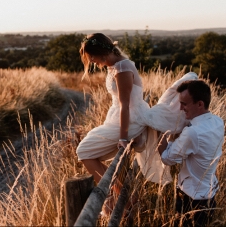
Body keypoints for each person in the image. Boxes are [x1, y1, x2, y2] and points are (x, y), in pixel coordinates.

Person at [76, 33, 198, 186]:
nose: (91, 60)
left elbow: (125, 105)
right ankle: (119, 199)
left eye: (92, 56)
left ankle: (116, 199)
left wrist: (123, 138)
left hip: (131, 120)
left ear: (101, 51)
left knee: (83, 151)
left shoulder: (122, 68)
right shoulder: (114, 66)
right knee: (88, 152)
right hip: (118, 118)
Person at [158, 80, 224, 227]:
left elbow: (167, 158)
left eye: (184, 104)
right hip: (209, 194)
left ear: (200, 104)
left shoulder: (193, 132)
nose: (180, 108)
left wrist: (160, 129)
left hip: (192, 199)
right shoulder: (218, 121)